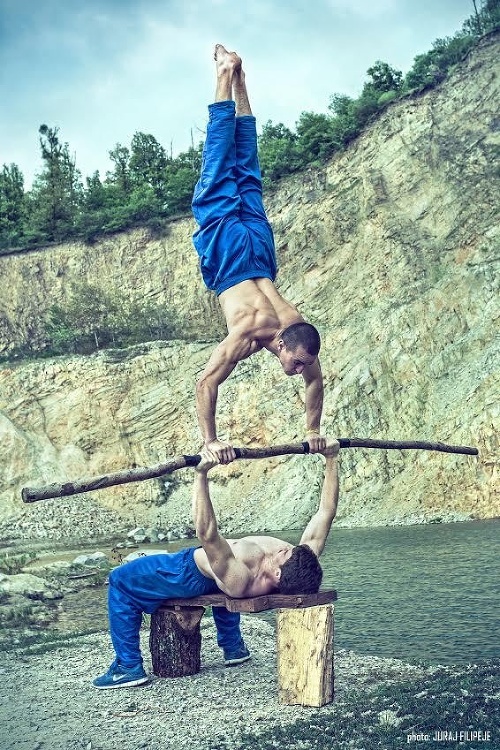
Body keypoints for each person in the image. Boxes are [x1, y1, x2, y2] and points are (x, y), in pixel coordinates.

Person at [93, 438, 340, 689]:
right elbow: (326, 512)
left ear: (276, 574)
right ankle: (233, 648)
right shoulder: (300, 561)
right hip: (220, 575)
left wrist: (201, 474)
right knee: (222, 576)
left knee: (120, 580)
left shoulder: (241, 579)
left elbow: (207, 534)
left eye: (284, 552)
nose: (283, 547)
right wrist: (332, 459)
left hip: (187, 572)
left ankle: (128, 666)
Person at [192, 44, 326, 464]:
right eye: (296, 362)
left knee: (247, 172)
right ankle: (223, 74)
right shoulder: (250, 331)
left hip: (260, 253)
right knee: (217, 167)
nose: (298, 369)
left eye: (301, 364)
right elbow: (205, 382)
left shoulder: (298, 331)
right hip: (231, 257)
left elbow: (316, 383)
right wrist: (211, 441)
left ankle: (241, 80)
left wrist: (314, 431)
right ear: (283, 344)